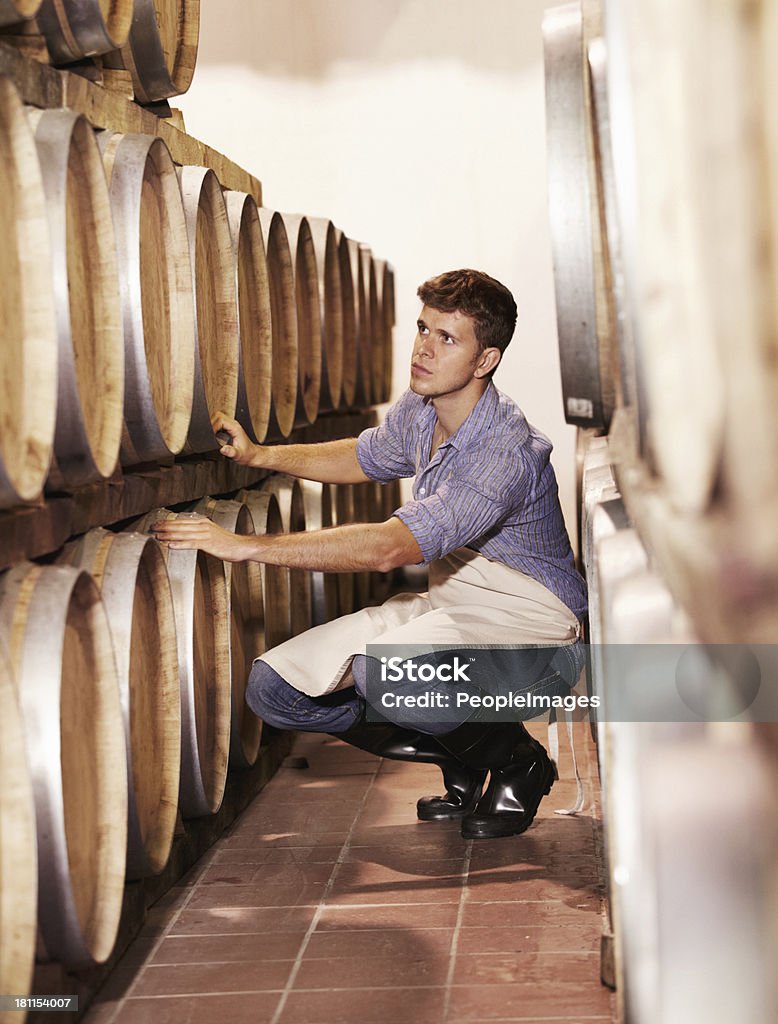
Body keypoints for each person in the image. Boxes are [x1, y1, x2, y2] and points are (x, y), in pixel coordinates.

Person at [153, 268, 588, 840]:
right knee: (275, 690)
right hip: (452, 607)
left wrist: (244, 547)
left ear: (485, 361)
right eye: (423, 329)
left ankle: (515, 761)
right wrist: (262, 457)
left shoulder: (504, 450)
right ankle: (459, 749)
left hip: (533, 627)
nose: (424, 349)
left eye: (447, 339)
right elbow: (365, 456)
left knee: (386, 676)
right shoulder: (422, 406)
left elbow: (388, 549)